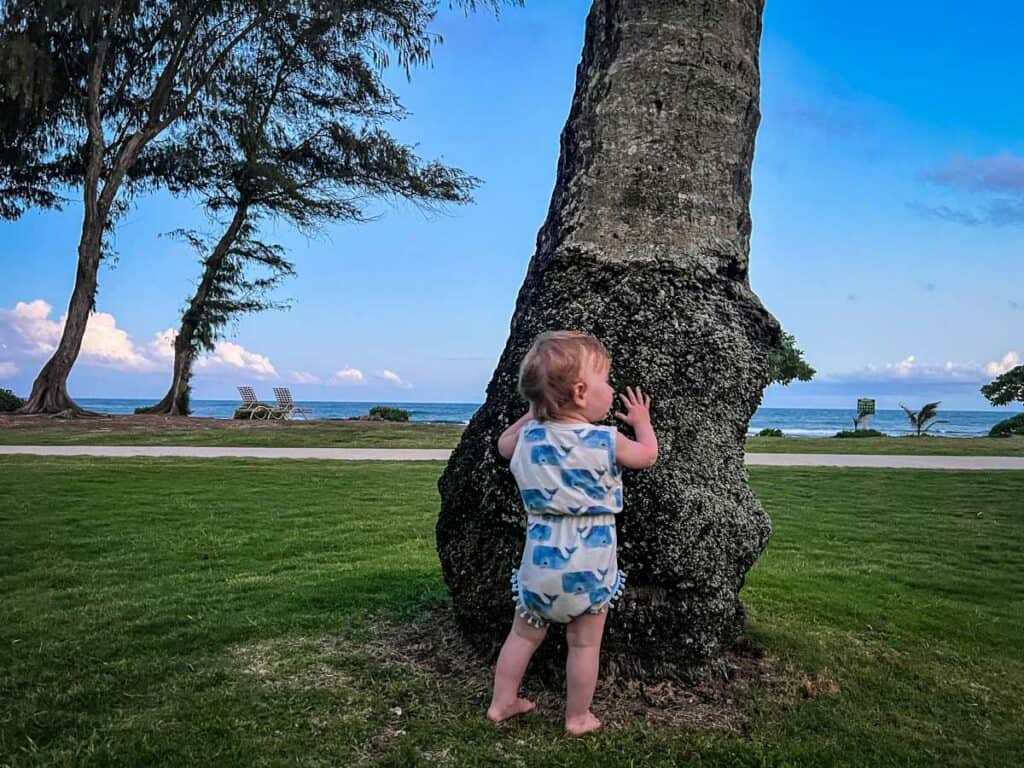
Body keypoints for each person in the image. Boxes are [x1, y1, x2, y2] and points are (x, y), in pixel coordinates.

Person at [486, 330, 659, 735]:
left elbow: (502, 444)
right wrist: (642, 422)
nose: (611, 389)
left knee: (522, 636)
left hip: (539, 563)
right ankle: (577, 716)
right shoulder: (606, 440)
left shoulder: (527, 438)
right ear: (581, 392)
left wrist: (536, 410)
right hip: (590, 565)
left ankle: (502, 702)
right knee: (584, 644)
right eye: (606, 381)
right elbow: (648, 456)